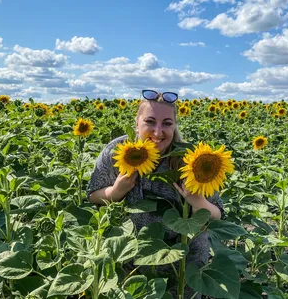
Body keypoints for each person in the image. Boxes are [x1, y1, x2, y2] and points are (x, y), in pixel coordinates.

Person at [86, 90, 225, 298]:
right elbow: (92, 195)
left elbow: (218, 215)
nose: (158, 132)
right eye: (150, 122)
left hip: (184, 264)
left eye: (167, 123)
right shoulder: (117, 150)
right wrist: (116, 191)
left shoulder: (190, 159)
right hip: (129, 257)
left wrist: (196, 200)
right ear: (137, 122)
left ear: (175, 125)